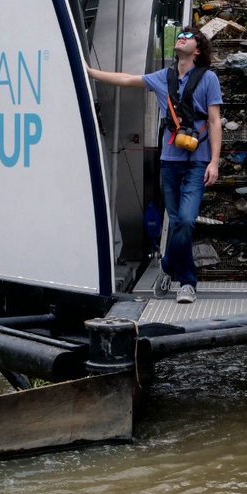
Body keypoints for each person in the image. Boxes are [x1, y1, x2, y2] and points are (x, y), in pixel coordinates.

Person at [86, 26, 223, 303]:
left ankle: (170, 265)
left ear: (197, 50)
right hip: (170, 160)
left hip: (197, 161)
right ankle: (187, 283)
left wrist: (214, 162)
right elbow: (126, 79)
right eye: (180, 36)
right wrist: (89, 72)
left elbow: (214, 121)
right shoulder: (164, 77)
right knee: (175, 222)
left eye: (188, 37)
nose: (181, 38)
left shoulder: (208, 78)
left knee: (185, 220)